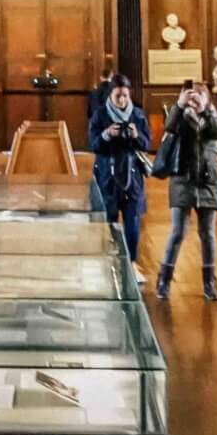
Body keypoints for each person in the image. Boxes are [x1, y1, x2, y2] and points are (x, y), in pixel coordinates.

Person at [155, 83, 217, 301]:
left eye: (199, 97)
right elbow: (168, 126)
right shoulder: (180, 117)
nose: (194, 102)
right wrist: (179, 105)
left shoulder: (214, 119)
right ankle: (164, 279)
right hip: (183, 180)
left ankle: (209, 282)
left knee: (208, 234)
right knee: (178, 232)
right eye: (192, 97)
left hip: (207, 182)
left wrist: (203, 109)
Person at [89, 73, 151, 281]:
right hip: (108, 174)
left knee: (133, 221)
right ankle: (109, 261)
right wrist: (107, 135)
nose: (123, 100)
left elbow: (147, 144)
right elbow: (94, 145)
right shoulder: (100, 115)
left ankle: (131, 262)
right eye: (118, 96)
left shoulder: (138, 115)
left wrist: (136, 136)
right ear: (111, 95)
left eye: (125, 96)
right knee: (110, 220)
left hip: (132, 176)